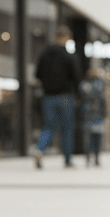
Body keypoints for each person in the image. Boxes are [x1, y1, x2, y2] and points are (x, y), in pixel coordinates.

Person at [34, 28, 81, 168]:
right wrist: (78, 96)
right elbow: (76, 77)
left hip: (48, 97)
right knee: (67, 129)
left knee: (48, 127)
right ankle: (67, 160)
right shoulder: (69, 55)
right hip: (65, 96)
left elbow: (37, 76)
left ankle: (39, 150)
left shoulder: (44, 54)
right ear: (66, 37)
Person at [79, 69, 107, 166]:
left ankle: (88, 157)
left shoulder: (84, 84)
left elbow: (82, 96)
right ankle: (96, 157)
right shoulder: (100, 84)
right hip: (98, 116)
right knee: (97, 138)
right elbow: (102, 99)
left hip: (87, 116)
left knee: (87, 138)